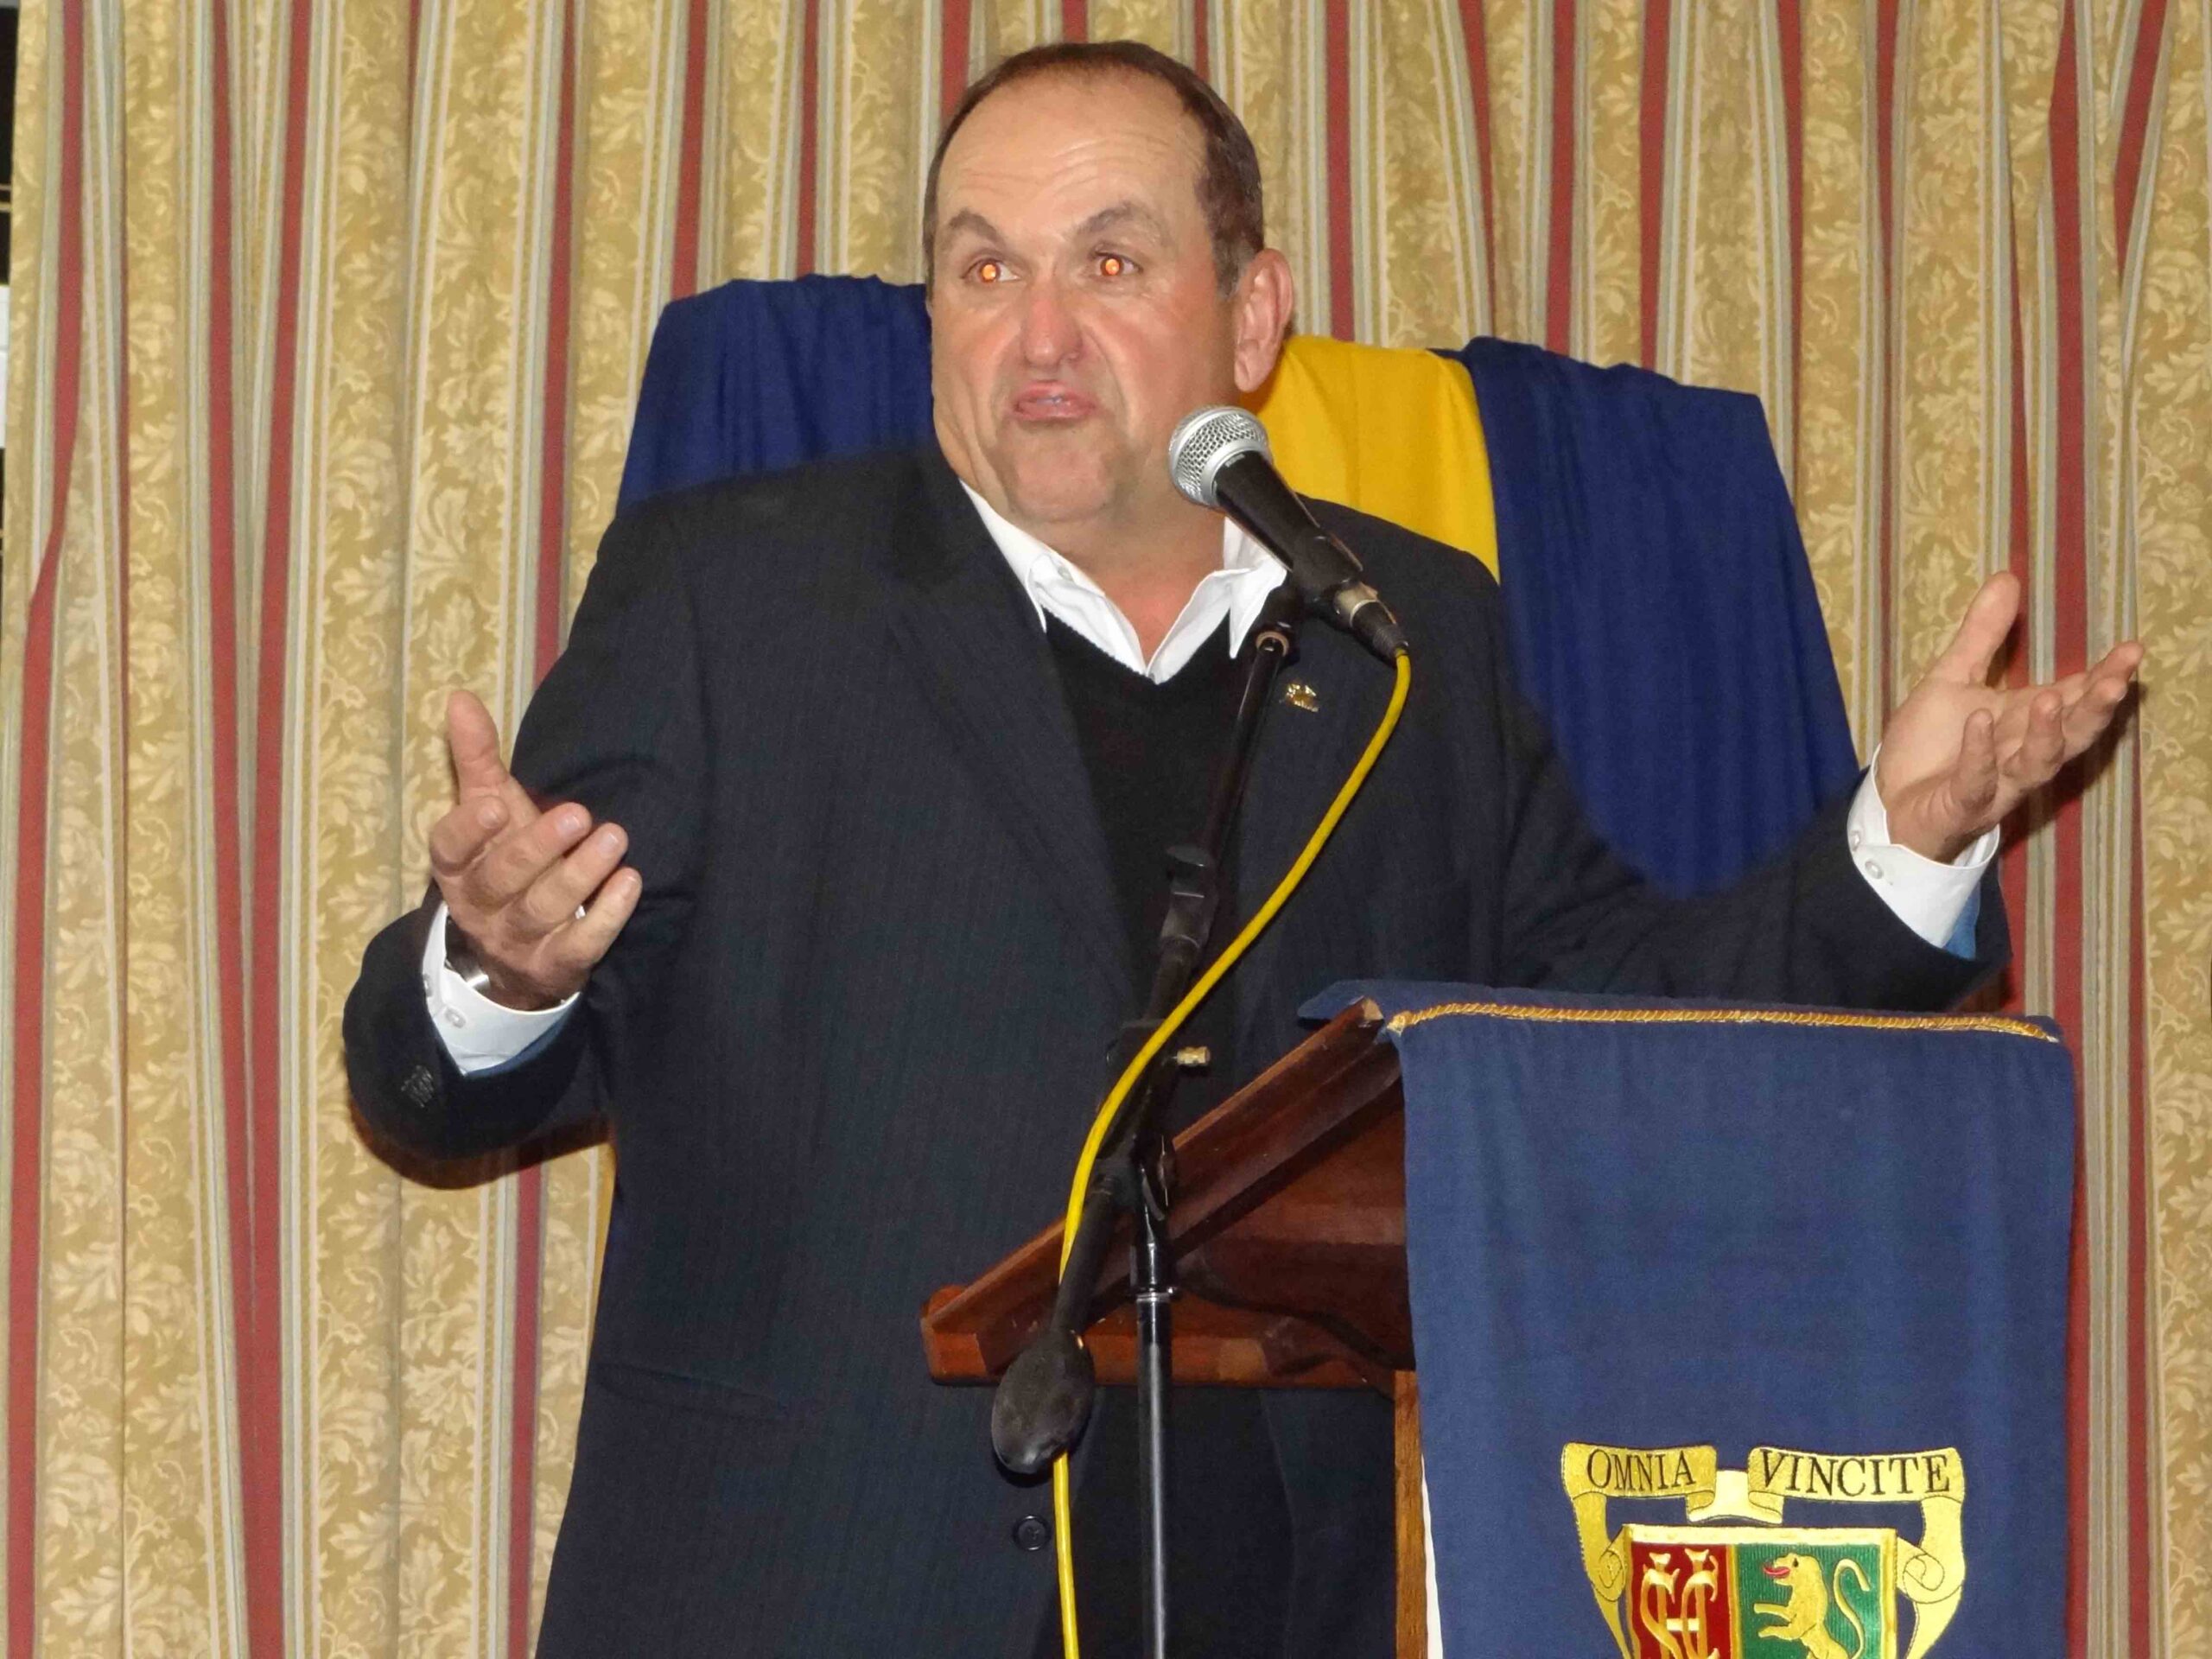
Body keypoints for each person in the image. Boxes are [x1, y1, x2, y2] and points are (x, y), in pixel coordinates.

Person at [344, 41, 2141, 1658]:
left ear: (1253, 313)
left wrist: (1898, 841)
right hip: (816, 1583)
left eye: (1109, 264)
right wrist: (495, 962)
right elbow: (426, 1075)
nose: (1038, 335)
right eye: (983, 270)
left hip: (1288, 1595)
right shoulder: (737, 595)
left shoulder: (1398, 635)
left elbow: (1617, 1025)